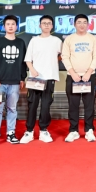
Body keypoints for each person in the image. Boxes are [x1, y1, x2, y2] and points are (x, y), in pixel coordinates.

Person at [21, 13, 62, 143]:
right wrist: (32, 70)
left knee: (46, 105)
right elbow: (28, 59)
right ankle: (29, 131)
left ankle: (43, 130)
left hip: (49, 78)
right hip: (35, 78)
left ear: (52, 26)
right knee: (32, 105)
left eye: (49, 23)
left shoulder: (57, 41)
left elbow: (63, 55)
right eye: (44, 23)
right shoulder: (34, 40)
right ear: (40, 25)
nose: (46, 25)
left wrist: (53, 64)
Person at [0, 14, 27, 145]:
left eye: (13, 24)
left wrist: (22, 78)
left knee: (12, 109)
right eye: (8, 24)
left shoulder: (21, 43)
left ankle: (11, 133)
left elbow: (23, 62)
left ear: (16, 26)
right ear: (4, 27)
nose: (10, 26)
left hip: (15, 82)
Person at [60, 13, 96, 141]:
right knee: (73, 105)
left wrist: (89, 72)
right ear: (74, 24)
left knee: (89, 105)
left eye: (84, 22)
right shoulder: (69, 39)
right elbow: (65, 57)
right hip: (73, 77)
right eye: (79, 22)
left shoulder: (93, 39)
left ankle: (89, 130)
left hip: (89, 76)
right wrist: (72, 73)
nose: (82, 25)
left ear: (88, 24)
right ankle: (73, 131)